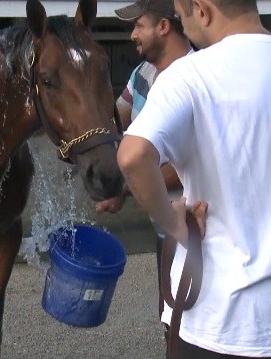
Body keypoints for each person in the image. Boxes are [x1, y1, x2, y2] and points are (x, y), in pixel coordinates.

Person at [117, 0, 271, 357]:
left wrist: (172, 221)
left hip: (215, 320)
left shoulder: (188, 75)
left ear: (202, 10)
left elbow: (132, 155)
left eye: (180, 11)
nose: (178, 19)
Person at [97, 0, 193, 325]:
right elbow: (116, 119)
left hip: (189, 225)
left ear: (163, 27)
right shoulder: (143, 74)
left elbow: (183, 165)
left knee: (185, 322)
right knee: (167, 314)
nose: (132, 35)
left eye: (138, 25)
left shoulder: (193, 80)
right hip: (163, 223)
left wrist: (125, 186)